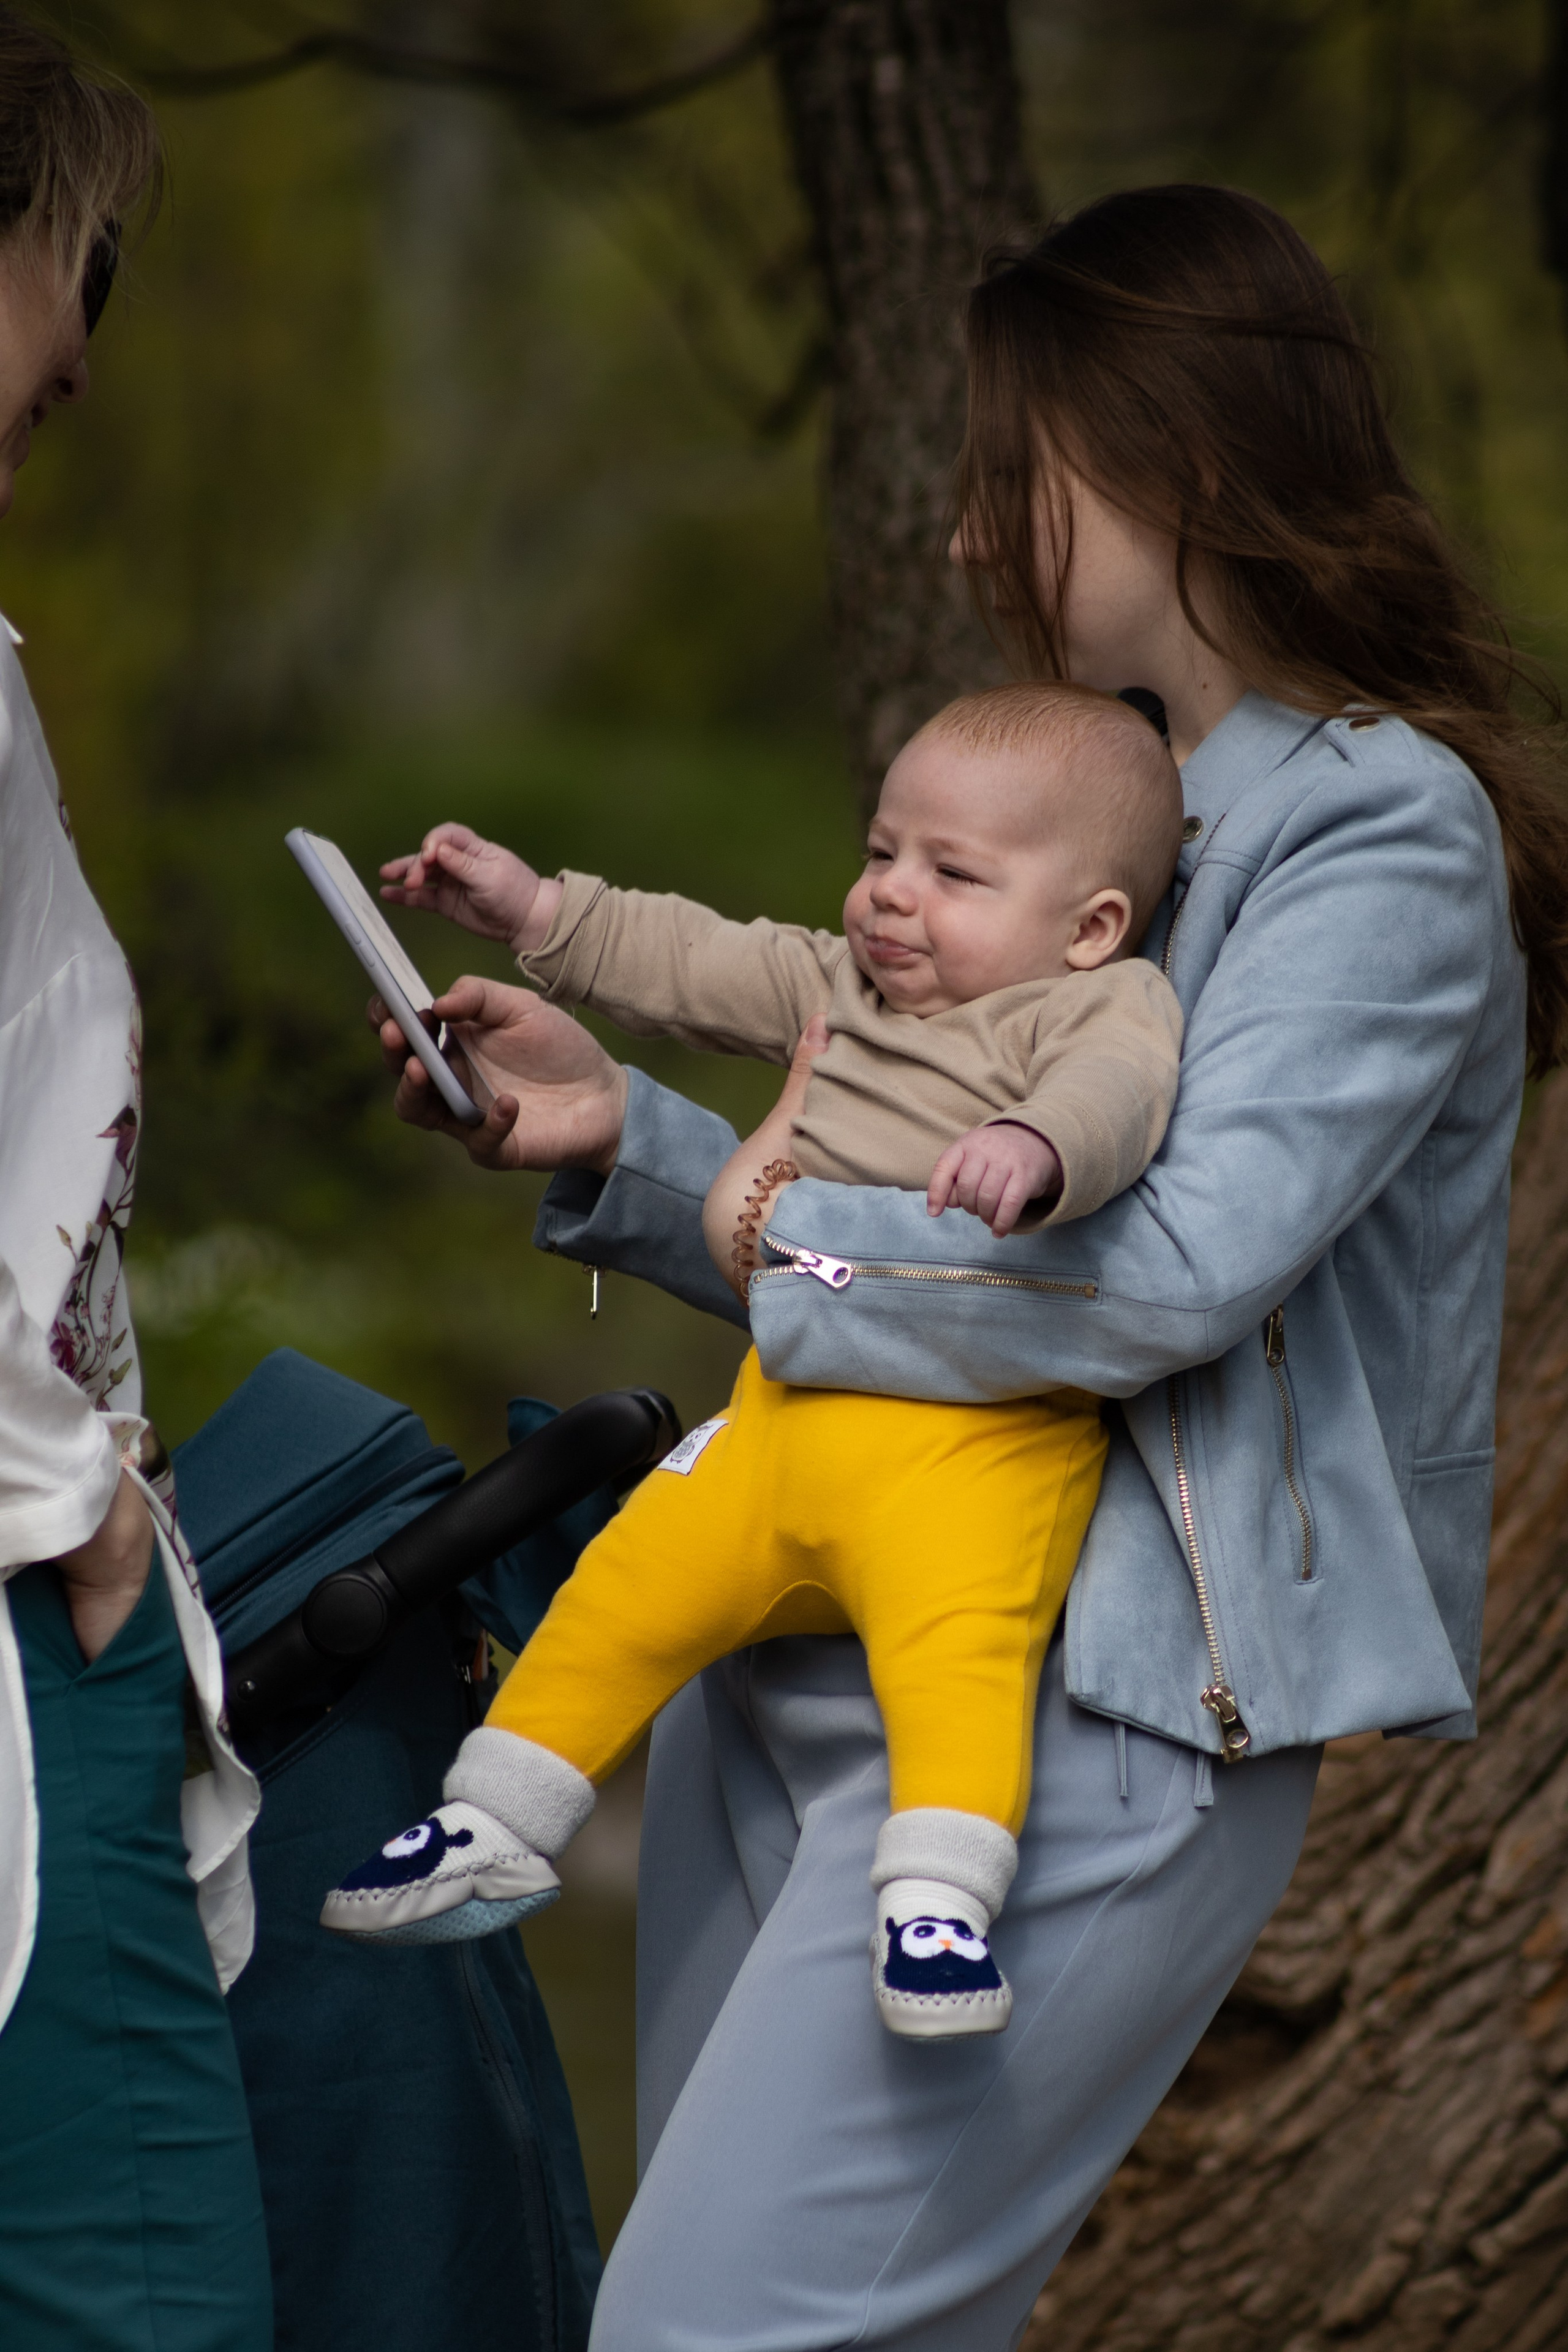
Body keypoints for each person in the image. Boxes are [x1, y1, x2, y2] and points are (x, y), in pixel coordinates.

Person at [368, 184, 1561, 2348]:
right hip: (788, 1643)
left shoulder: (1375, 835)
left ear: (1170, 464)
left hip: (1091, 1715)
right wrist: (632, 1141)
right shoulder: (1087, 797)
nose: (957, 537)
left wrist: (776, 1230)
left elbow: (1161, 1278)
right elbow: (927, 1247)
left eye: (1008, 478)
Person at [321, 682, 1186, 2043]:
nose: (891, 894)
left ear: (1088, 928)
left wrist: (1037, 1144)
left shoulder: (1091, 1010)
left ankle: (939, 1907)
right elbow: (693, 960)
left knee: (961, 1660)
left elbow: (1122, 1094)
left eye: (953, 873)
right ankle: (496, 1819)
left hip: (972, 1448)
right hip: (780, 1416)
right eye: (883, 851)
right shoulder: (844, 986)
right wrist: (534, 909)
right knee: (626, 1587)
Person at [0, 19, 270, 2348]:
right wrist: (72, 1507)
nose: (83, 351)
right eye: (71, 262)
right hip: (19, 1602)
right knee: (141, 2300)